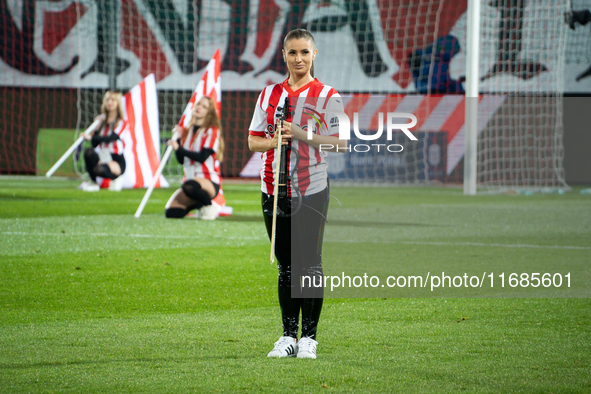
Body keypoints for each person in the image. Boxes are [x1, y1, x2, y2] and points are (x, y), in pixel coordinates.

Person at [248, 28, 346, 359]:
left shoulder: (328, 94)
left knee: (310, 263)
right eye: (292, 53)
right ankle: (288, 336)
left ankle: (309, 338)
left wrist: (303, 134)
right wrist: (276, 140)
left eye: (304, 52)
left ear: (314, 55)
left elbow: (340, 143)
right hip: (272, 188)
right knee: (287, 266)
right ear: (284, 55)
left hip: (312, 188)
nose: (298, 59)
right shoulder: (269, 94)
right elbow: (252, 141)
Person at [164, 96, 224, 220]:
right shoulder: (187, 131)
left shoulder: (212, 130)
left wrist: (179, 148)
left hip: (208, 181)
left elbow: (202, 157)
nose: (199, 108)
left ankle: (209, 205)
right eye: (198, 104)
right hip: (190, 181)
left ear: (209, 112)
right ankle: (200, 205)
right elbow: (181, 160)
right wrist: (179, 142)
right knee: (171, 212)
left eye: (204, 107)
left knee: (189, 185)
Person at [81, 90, 128, 192]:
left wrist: (91, 137)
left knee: (99, 170)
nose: (110, 102)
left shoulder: (121, 122)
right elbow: (94, 144)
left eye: (113, 100)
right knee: (88, 152)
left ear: (118, 103)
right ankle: (93, 183)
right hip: (103, 155)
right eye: (107, 100)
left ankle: (116, 178)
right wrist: (96, 129)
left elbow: (111, 138)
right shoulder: (101, 121)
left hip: (116, 159)